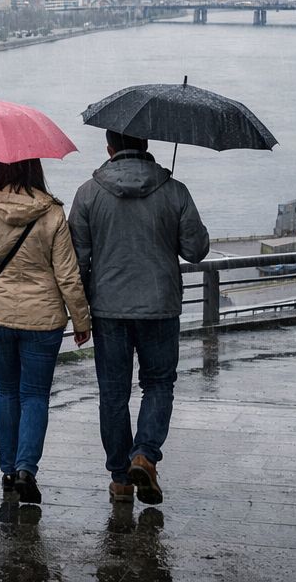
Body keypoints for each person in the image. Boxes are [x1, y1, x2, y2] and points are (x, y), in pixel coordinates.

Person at [69, 130, 209, 506]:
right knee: (159, 384)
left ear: (109, 148)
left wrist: (78, 316)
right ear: (147, 145)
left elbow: (77, 263)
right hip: (160, 305)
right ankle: (144, 454)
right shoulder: (174, 190)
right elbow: (196, 250)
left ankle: (120, 480)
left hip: (107, 309)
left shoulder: (87, 193)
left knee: (113, 394)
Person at [0, 158, 92, 505]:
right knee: (34, 395)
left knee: (6, 390)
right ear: (37, 170)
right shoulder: (52, 213)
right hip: (43, 318)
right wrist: (82, 320)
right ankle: (25, 470)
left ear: (1, 169)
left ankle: (7, 470)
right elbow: (68, 274)